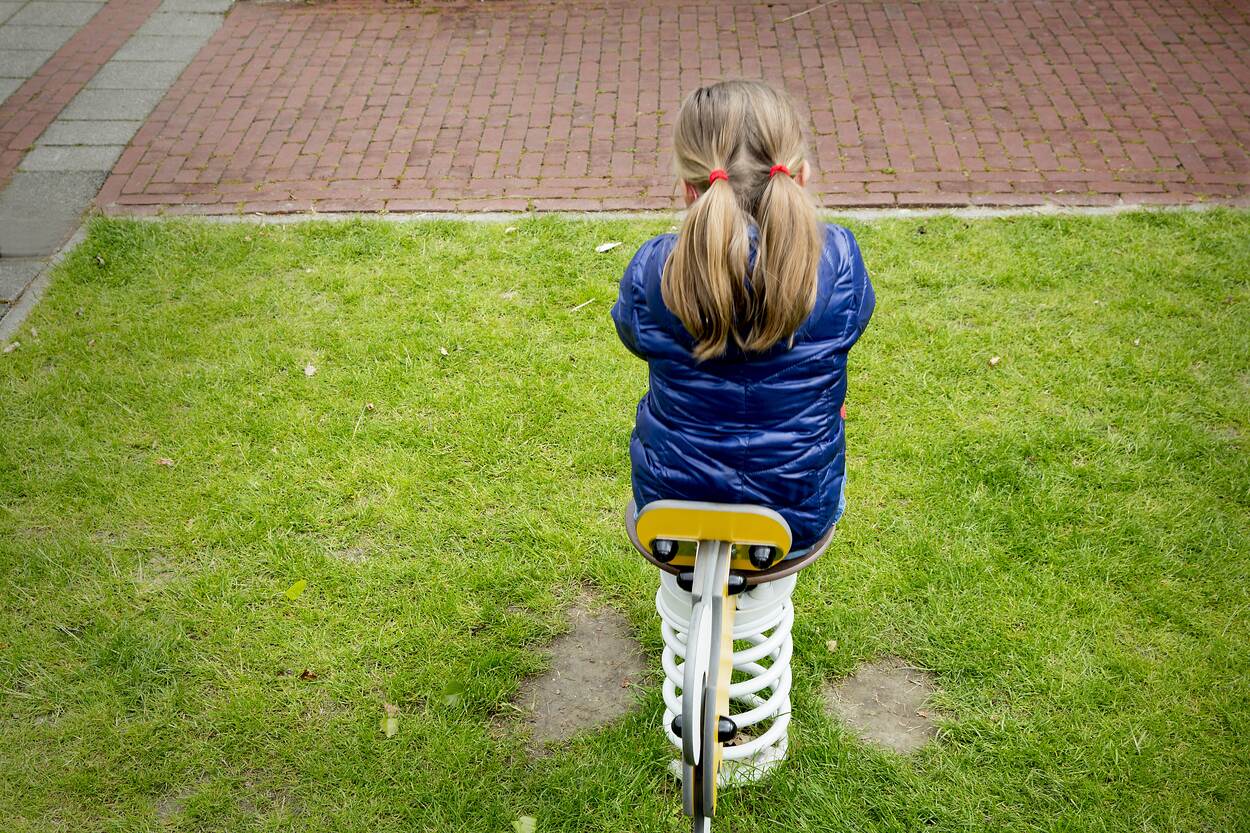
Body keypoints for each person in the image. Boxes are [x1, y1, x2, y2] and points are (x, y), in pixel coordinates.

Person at [611, 79, 875, 556]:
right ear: (800, 176)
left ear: (690, 190)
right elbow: (853, 323)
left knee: (679, 600)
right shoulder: (838, 261)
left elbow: (632, 332)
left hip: (671, 506)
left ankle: (684, 622)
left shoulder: (655, 269)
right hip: (796, 512)